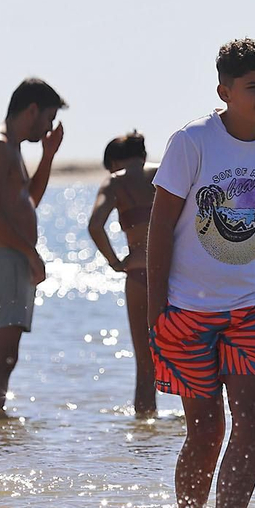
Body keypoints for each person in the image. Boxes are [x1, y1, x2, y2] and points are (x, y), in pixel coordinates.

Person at [147, 39, 255, 508]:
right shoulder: (192, 142)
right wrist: (157, 310)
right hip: (187, 310)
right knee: (206, 429)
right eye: (254, 87)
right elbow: (159, 231)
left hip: (254, 309)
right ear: (225, 90)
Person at [0, 78, 66, 413]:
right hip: (3, 258)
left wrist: (48, 155)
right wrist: (30, 253)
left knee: (8, 356)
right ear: (32, 111)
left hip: (13, 259)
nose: (49, 128)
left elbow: (29, 201)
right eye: (49, 119)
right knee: (2, 357)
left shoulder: (12, 148)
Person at [87, 131, 158, 415]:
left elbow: (95, 225)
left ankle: (145, 426)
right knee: (189, 358)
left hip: (139, 272)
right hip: (174, 274)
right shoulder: (165, 174)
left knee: (145, 362)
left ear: (114, 161)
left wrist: (115, 262)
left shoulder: (115, 182)